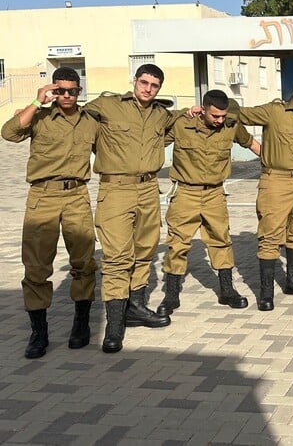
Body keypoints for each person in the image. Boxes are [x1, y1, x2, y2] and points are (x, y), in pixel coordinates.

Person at [84, 63, 199, 354]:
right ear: (134, 81)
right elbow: (79, 121)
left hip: (149, 188)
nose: (148, 89)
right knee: (117, 257)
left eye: (154, 85)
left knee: (145, 250)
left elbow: (174, 121)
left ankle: (135, 307)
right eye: (144, 82)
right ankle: (114, 324)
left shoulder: (161, 114)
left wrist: (191, 112)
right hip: (116, 189)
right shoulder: (108, 105)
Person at [2, 67, 98, 359]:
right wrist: (35, 102)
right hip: (42, 195)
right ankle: (39, 332)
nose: (66, 95)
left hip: (77, 195)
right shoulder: (40, 117)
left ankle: (81, 324)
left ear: (79, 91)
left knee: (83, 260)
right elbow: (8, 133)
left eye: (71, 90)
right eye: (60, 90)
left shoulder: (90, 122)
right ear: (52, 90)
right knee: (36, 266)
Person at [155, 90, 261, 317]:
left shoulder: (231, 125)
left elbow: (251, 143)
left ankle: (227, 290)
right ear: (202, 110)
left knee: (221, 240)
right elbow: (153, 138)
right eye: (215, 116)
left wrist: (275, 164)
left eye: (223, 116)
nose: (219, 121)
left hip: (214, 194)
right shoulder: (182, 125)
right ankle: (171, 294)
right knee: (177, 244)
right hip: (185, 193)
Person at [236, 79, 293, 312]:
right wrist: (250, 143)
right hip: (277, 180)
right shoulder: (274, 112)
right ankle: (266, 293)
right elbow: (236, 114)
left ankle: (292, 281)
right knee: (270, 234)